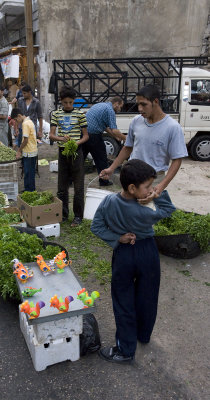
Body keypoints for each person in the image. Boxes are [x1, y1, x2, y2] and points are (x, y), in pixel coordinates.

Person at [91, 159, 176, 363]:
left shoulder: (109, 202)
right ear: (132, 187)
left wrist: (117, 238)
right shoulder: (146, 212)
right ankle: (143, 335)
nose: (151, 190)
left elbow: (97, 226)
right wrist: (159, 194)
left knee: (123, 301)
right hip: (147, 252)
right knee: (148, 296)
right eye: (148, 187)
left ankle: (125, 349)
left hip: (124, 253)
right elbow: (168, 209)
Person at [100, 85, 188, 201]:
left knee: (147, 215)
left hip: (153, 180)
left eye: (144, 104)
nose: (140, 109)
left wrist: (161, 186)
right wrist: (111, 168)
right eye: (138, 104)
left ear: (155, 101)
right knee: (127, 211)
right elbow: (127, 148)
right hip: (131, 176)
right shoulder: (136, 121)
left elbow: (177, 160)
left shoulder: (172, 127)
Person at [49, 86, 89, 227]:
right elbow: (52, 136)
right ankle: (64, 214)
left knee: (78, 187)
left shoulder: (80, 115)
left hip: (76, 153)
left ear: (74, 101)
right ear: (61, 101)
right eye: (65, 102)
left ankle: (78, 216)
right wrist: (61, 139)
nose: (68, 105)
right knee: (62, 187)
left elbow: (86, 136)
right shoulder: (56, 114)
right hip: (62, 153)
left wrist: (76, 143)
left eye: (70, 102)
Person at [82, 97, 126, 186]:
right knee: (101, 159)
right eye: (120, 106)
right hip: (93, 136)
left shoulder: (101, 105)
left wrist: (115, 137)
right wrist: (125, 138)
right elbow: (114, 129)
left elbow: (105, 126)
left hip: (83, 134)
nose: (120, 109)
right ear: (116, 104)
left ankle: (71, 180)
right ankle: (104, 181)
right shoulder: (110, 110)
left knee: (80, 159)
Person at [10, 108, 38, 192]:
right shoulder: (29, 121)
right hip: (32, 150)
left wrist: (19, 150)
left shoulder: (25, 124)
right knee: (30, 173)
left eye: (15, 120)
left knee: (28, 173)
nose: (16, 122)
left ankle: (29, 191)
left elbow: (25, 140)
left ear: (19, 116)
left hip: (29, 152)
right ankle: (30, 189)